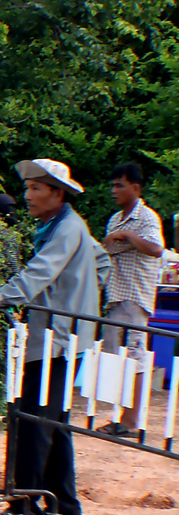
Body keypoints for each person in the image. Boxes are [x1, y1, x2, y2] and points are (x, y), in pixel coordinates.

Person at [0, 160, 109, 515]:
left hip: (57, 342)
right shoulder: (62, 225)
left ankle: (23, 506)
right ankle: (64, 508)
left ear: (57, 193)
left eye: (35, 189)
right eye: (27, 188)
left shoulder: (66, 228)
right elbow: (103, 261)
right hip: (61, 338)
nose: (26, 196)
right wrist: (85, 295)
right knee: (53, 425)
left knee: (31, 423)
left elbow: (39, 273)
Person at [99, 163, 165, 437]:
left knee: (136, 358)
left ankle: (132, 420)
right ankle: (121, 417)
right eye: (113, 185)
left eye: (120, 185)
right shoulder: (114, 219)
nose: (114, 190)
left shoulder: (147, 218)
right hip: (115, 296)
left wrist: (127, 235)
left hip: (136, 297)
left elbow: (156, 249)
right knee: (116, 359)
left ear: (136, 188)